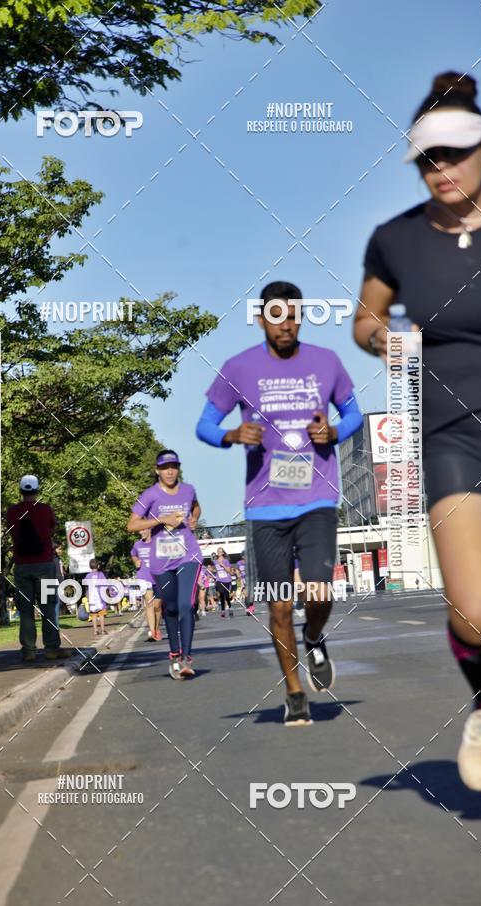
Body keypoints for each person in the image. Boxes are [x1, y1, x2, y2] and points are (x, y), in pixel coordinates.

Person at [354, 71, 481, 791]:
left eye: (455, 154)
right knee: (475, 615)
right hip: (455, 432)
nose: (442, 169)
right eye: (428, 158)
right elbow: (366, 318)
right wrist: (384, 339)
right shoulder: (396, 241)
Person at [196, 281, 363, 725]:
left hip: (317, 499)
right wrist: (231, 435)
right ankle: (294, 693)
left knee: (318, 591)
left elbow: (355, 414)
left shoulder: (326, 362)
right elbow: (205, 425)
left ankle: (316, 635)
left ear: (301, 317)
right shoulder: (239, 367)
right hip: (265, 506)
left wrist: (334, 432)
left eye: (292, 316)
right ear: (260, 319)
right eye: (276, 316)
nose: (285, 324)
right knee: (279, 604)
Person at [127, 450, 202, 679]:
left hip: (188, 555)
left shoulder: (188, 490)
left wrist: (194, 518)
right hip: (161, 560)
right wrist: (161, 520)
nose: (170, 471)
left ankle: (187, 658)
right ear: (157, 470)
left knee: (186, 605)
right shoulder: (150, 495)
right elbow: (131, 525)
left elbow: (196, 506)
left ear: (178, 468)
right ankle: (174, 654)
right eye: (165, 467)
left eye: (174, 466)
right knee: (169, 607)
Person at [6, 475, 72, 662]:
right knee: (48, 606)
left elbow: (10, 531)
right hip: (44, 565)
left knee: (25, 609)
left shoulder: (11, 511)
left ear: (20, 491)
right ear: (36, 490)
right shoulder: (45, 510)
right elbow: (51, 528)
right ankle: (51, 648)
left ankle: (29, 650)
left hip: (22, 566)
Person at [131, 530, 163, 641]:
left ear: (150, 529)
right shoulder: (137, 544)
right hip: (144, 577)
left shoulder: (157, 542)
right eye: (140, 530)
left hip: (158, 577)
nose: (141, 532)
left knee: (157, 606)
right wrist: (136, 561)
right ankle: (152, 631)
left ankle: (157, 628)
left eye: (144, 529)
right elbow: (134, 554)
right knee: (149, 604)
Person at [84, 559, 108, 637]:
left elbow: (86, 586)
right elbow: (105, 584)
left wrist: (87, 597)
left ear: (90, 567)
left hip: (91, 598)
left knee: (94, 615)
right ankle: (103, 630)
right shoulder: (101, 574)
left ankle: (95, 631)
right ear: (98, 566)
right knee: (101, 614)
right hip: (100, 597)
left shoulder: (88, 576)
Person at [214, 547, 234, 618]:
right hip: (219, 580)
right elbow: (216, 570)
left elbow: (229, 571)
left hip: (226, 580)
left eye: (220, 551)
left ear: (223, 553)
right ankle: (223, 611)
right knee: (221, 594)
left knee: (226, 595)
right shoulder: (215, 561)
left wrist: (223, 565)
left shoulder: (226, 561)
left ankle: (230, 608)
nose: (219, 552)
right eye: (218, 551)